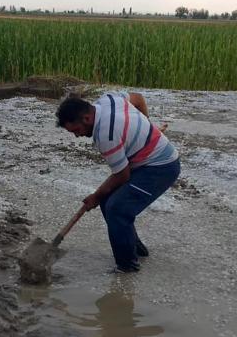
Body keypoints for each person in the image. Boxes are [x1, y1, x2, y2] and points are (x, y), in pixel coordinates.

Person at [56, 91, 180, 273]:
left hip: (161, 167)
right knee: (109, 200)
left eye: (76, 130)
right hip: (144, 162)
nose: (77, 136)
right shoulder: (109, 99)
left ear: (87, 118)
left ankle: (127, 267)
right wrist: (145, 124)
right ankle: (135, 250)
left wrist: (95, 196)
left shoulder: (106, 135)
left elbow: (122, 175)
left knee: (117, 209)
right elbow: (137, 98)